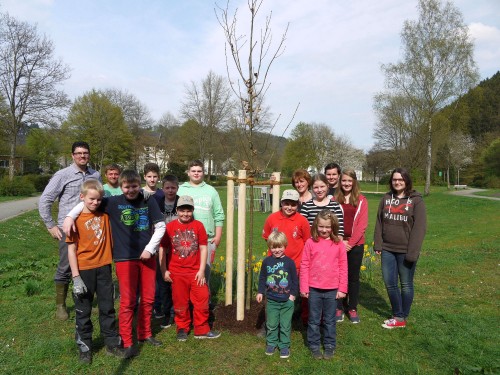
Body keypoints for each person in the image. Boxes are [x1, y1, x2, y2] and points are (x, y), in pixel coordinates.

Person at [64, 170, 166, 358]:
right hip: (124, 258)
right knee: (127, 301)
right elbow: (88, 201)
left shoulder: (148, 200)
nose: (131, 190)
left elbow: (161, 226)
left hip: (147, 256)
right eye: (127, 187)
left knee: (149, 298)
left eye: (135, 186)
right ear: (121, 187)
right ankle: (127, 340)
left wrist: (150, 249)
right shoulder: (113, 202)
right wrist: (70, 216)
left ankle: (145, 333)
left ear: (139, 184)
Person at [39, 141, 101, 321]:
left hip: (90, 227)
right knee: (66, 265)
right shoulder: (62, 175)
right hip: (69, 228)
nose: (83, 156)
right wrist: (51, 225)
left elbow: (98, 198)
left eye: (86, 153)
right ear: (73, 155)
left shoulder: (95, 174)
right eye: (79, 153)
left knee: (88, 263)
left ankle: (84, 298)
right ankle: (61, 305)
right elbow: (45, 200)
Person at [66, 180, 125, 363]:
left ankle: (111, 343)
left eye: (99, 200)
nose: (95, 203)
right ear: (82, 197)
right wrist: (76, 277)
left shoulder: (105, 216)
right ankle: (85, 347)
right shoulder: (74, 221)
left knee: (107, 308)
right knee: (83, 311)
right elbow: (71, 250)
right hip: (83, 270)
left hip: (104, 268)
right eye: (91, 199)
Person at [159, 195, 221, 341]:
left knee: (202, 298)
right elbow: (162, 248)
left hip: (195, 272)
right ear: (177, 210)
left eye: (188, 210)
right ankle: (182, 328)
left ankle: (201, 329)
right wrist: (164, 270)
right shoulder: (170, 227)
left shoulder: (198, 226)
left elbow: (203, 248)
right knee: (180, 302)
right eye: (182, 210)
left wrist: (201, 270)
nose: (185, 214)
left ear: (192, 211)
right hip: (177, 272)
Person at [374, 168, 426, 329]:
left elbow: (420, 228)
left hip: (406, 251)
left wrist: (413, 252)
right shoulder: (386, 198)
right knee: (390, 283)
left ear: (406, 181)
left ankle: (401, 317)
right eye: (395, 179)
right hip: (388, 249)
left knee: (406, 284)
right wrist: (378, 243)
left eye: (401, 179)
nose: (397, 182)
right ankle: (398, 314)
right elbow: (379, 221)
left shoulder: (416, 201)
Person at [300, 209, 347, 360]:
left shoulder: (338, 244)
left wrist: (342, 288)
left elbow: (343, 266)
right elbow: (305, 264)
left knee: (329, 320)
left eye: (328, 227)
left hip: (332, 289)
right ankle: (313, 345)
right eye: (321, 226)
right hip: (313, 288)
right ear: (316, 226)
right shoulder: (310, 242)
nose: (324, 230)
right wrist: (304, 287)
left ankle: (329, 345)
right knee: (313, 320)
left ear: (333, 227)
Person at [262, 189, 311, 326]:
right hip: (275, 266)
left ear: (298, 205)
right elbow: (267, 238)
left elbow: (307, 242)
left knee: (301, 293)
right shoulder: (272, 218)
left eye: (293, 204)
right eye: (286, 203)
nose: (289, 207)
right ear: (281, 203)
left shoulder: (302, 221)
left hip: (296, 264)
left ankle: (305, 320)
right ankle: (271, 323)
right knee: (274, 293)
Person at [177, 160, 225, 287]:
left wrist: (218, 236)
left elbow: (219, 214)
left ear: (203, 173)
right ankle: (187, 303)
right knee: (185, 273)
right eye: (193, 171)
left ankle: (204, 303)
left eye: (199, 171)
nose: (196, 174)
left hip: (207, 239)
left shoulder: (211, 191)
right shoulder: (180, 190)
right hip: (185, 239)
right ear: (188, 173)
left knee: (205, 273)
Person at [333, 168, 368, 323]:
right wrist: (341, 241)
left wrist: (351, 243)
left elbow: (362, 224)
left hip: (356, 245)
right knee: (338, 276)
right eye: (344, 180)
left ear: (354, 182)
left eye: (349, 180)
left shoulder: (361, 200)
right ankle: (338, 306)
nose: (346, 183)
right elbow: (332, 222)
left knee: (353, 278)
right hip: (338, 243)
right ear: (340, 182)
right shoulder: (334, 200)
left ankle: (352, 307)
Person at [256, 231, 298, 359]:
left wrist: (292, 296)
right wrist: (260, 292)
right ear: (270, 247)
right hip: (272, 300)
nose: (277, 250)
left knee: (285, 325)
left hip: (287, 301)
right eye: (274, 247)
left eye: (280, 247)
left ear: (285, 246)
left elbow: (295, 280)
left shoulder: (290, 263)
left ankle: (284, 345)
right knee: (272, 324)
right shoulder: (267, 262)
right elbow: (262, 278)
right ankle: (271, 343)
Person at [153, 174, 180, 328]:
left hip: (177, 249)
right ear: (162, 189)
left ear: (177, 188)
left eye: (173, 188)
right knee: (163, 281)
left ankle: (177, 311)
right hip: (161, 248)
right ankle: (165, 311)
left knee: (176, 281)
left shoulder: (181, 202)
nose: (170, 190)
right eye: (167, 188)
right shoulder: (157, 203)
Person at [300, 174, 345, 238]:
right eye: (316, 187)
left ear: (327, 186)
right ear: (312, 188)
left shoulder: (335, 206)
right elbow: (302, 228)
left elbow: (340, 231)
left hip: (331, 244)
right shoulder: (306, 207)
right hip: (313, 244)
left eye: (322, 186)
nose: (319, 190)